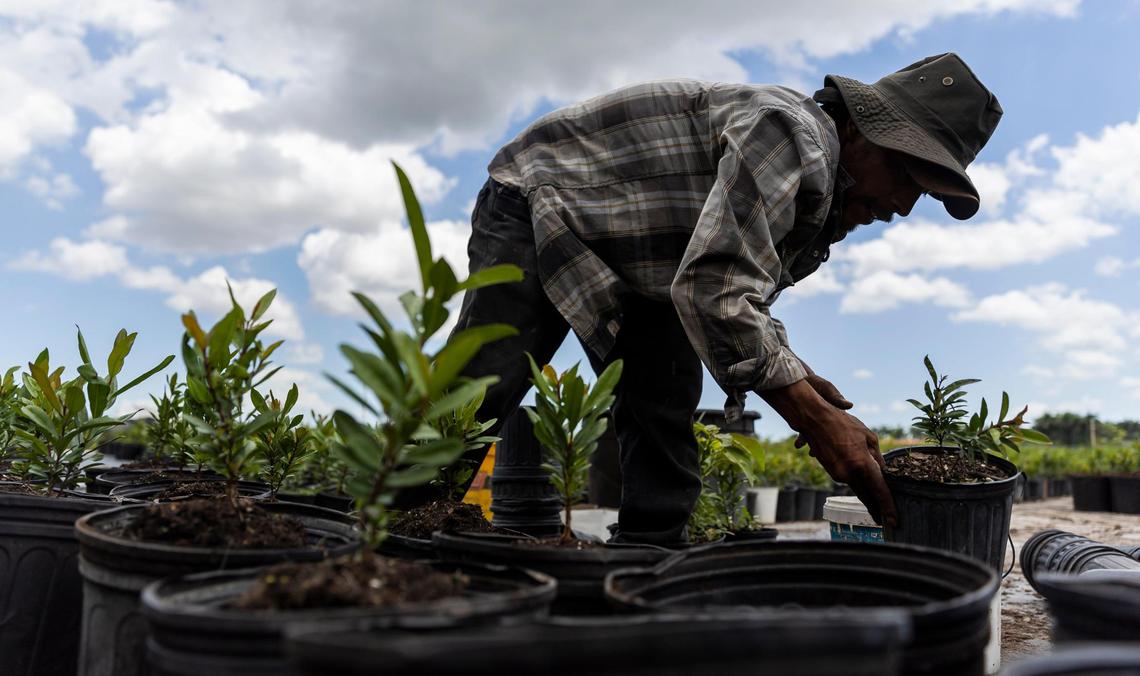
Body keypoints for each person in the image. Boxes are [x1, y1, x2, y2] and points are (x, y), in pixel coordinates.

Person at [445, 53, 1002, 545]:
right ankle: (397, 527)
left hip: (652, 259)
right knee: (485, 380)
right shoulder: (791, 135)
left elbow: (737, 291)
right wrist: (811, 418)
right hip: (537, 193)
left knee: (666, 391)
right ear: (859, 128)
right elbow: (715, 289)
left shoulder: (821, 197)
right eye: (906, 174)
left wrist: (801, 380)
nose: (904, 205)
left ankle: (648, 558)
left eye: (922, 193)